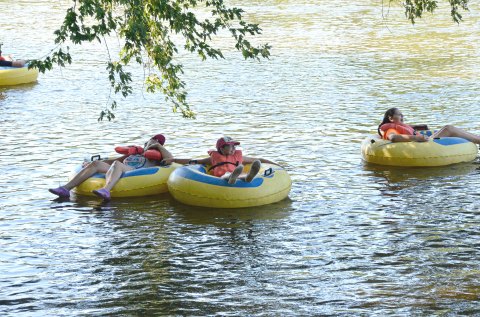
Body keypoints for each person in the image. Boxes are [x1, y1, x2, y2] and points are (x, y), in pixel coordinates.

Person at [49, 134, 173, 200]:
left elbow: (169, 160)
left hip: (135, 172)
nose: (148, 144)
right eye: (148, 142)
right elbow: (115, 161)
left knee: (117, 165)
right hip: (120, 168)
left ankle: (106, 190)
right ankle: (65, 189)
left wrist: (159, 147)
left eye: (152, 143)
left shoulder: (157, 155)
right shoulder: (135, 152)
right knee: (96, 164)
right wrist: (96, 162)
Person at [168, 136, 279, 184]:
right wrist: (174, 159)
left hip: (237, 174)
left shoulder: (239, 157)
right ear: (221, 148)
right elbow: (193, 161)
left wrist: (276, 165)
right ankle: (233, 178)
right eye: (230, 146)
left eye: (234, 146)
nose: (233, 149)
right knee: (227, 175)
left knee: (240, 173)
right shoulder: (212, 158)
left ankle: (249, 176)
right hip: (221, 177)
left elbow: (260, 159)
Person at [378, 107, 480, 144]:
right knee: (449, 128)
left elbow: (406, 128)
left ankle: (478, 138)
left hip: (423, 140)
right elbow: (393, 137)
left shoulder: (395, 125)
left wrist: (419, 126)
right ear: (391, 118)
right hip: (423, 143)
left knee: (446, 127)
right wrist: (417, 137)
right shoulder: (390, 129)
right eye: (399, 114)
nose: (402, 116)